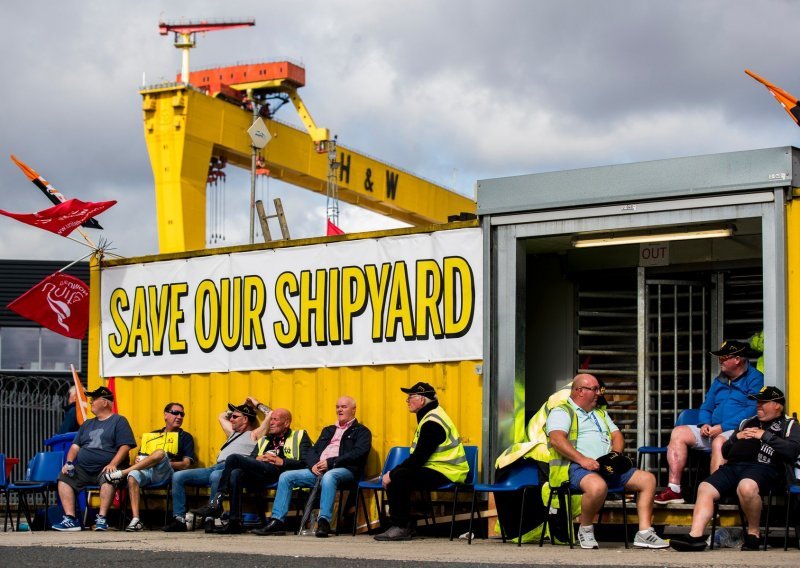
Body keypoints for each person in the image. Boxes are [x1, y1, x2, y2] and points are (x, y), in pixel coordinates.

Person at [545, 373, 668, 549]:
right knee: (597, 486)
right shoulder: (562, 411)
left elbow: (617, 436)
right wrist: (583, 460)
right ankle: (585, 528)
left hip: (605, 467)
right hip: (575, 468)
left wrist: (614, 456)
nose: (599, 393)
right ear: (580, 391)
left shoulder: (600, 413)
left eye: (599, 389)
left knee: (647, 479)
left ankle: (644, 532)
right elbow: (557, 440)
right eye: (594, 389)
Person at [670, 386, 800, 551]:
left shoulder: (789, 424)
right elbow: (725, 451)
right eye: (757, 402)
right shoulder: (747, 422)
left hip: (764, 469)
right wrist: (735, 439)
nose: (758, 405)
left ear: (777, 405)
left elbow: (793, 451)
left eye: (763, 402)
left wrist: (765, 436)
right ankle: (695, 537)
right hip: (734, 467)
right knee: (705, 487)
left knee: (746, 486)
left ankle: (754, 534)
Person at [655, 340, 764, 505]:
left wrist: (722, 427)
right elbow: (706, 406)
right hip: (712, 429)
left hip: (737, 430)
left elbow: (751, 410)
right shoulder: (719, 380)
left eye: (723, 358)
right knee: (679, 432)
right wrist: (704, 424)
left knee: (719, 443)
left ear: (737, 360)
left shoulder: (755, 378)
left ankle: (715, 496)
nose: (720, 361)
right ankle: (674, 489)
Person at [254, 396, 372, 538]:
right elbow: (313, 451)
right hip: (319, 469)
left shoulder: (361, 431)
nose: (339, 409)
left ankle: (324, 522)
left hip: (344, 471)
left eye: (344, 407)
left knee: (329, 476)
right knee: (286, 476)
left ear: (353, 410)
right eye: (337, 406)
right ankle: (277, 521)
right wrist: (313, 465)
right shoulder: (329, 430)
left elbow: (358, 453)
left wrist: (331, 463)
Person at [373, 382, 468, 542]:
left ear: (422, 400)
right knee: (401, 475)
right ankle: (406, 524)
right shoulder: (430, 416)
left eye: (410, 397)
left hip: (447, 472)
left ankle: (401, 526)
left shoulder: (432, 422)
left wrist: (392, 474)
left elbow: (418, 459)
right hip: (438, 468)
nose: (407, 400)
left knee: (399, 478)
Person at [195, 407, 313, 534]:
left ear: (286, 423)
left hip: (279, 472)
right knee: (235, 473)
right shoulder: (264, 440)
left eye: (275, 420)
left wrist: (281, 461)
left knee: (233, 458)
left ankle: (217, 502)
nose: (271, 422)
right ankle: (235, 522)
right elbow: (252, 458)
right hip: (260, 472)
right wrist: (258, 457)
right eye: (271, 419)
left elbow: (306, 462)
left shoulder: (300, 436)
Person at [162, 399, 267, 532]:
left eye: (235, 417)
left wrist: (255, 403)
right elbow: (221, 416)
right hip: (214, 467)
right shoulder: (232, 433)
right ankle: (180, 519)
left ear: (245, 419)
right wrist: (243, 406)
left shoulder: (254, 434)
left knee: (216, 476)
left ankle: (211, 518)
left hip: (228, 469)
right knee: (178, 476)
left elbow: (271, 415)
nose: (231, 419)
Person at [51, 386, 137, 531]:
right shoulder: (87, 424)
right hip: (84, 470)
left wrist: (113, 463)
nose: (90, 402)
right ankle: (71, 519)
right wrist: (69, 462)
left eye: (94, 399)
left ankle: (102, 519)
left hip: (107, 468)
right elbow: (74, 447)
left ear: (104, 402)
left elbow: (125, 446)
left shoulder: (119, 421)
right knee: (64, 476)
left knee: (108, 476)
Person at [101, 402, 195, 532]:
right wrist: (140, 460)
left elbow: (186, 464)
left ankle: (122, 473)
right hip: (148, 471)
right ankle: (136, 520)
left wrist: (161, 461)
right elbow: (140, 459)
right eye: (175, 413)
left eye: (182, 414)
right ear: (165, 415)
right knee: (133, 475)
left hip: (166, 472)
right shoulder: (153, 435)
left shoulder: (185, 437)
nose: (179, 416)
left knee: (160, 453)